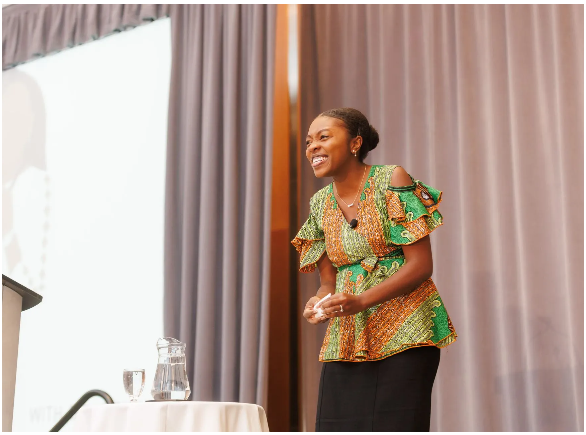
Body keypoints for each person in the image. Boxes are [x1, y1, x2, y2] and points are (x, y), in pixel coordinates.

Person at [291, 107, 457, 432]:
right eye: (309, 141)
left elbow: (421, 265)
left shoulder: (391, 179)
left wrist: (362, 300)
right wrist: (320, 303)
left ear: (355, 143)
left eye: (324, 137)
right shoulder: (320, 203)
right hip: (349, 336)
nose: (312, 147)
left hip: (405, 331)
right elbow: (328, 281)